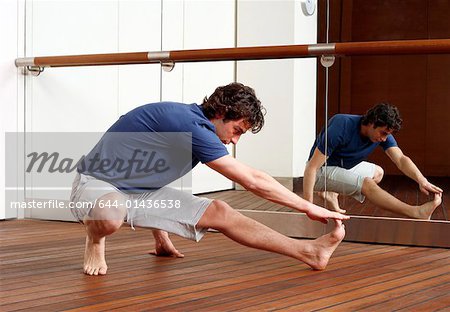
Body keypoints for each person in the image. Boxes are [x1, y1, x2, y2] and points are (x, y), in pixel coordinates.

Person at [70, 82, 349, 276]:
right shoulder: (189, 124)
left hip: (136, 194)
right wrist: (307, 206)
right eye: (237, 129)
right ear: (219, 113)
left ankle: (309, 252)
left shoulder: (195, 128)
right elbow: (252, 180)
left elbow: (148, 178)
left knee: (220, 211)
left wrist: (161, 232)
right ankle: (94, 242)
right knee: (110, 212)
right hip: (96, 185)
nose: (235, 140)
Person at [303, 102, 442, 218]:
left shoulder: (381, 133)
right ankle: (415, 212)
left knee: (378, 172)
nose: (384, 139)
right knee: (367, 184)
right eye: (383, 133)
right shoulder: (342, 125)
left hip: (341, 167)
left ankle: (330, 192)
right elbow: (311, 168)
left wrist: (421, 180)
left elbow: (400, 159)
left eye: (387, 135)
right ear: (372, 122)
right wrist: (307, 208)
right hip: (319, 171)